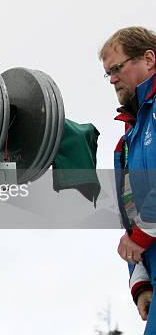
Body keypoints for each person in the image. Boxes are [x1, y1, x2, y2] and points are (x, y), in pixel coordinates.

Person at [101, 27, 156, 333]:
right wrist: (140, 279)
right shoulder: (126, 142)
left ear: (149, 59)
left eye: (117, 68)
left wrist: (138, 238)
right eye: (107, 73)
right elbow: (131, 213)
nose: (111, 79)